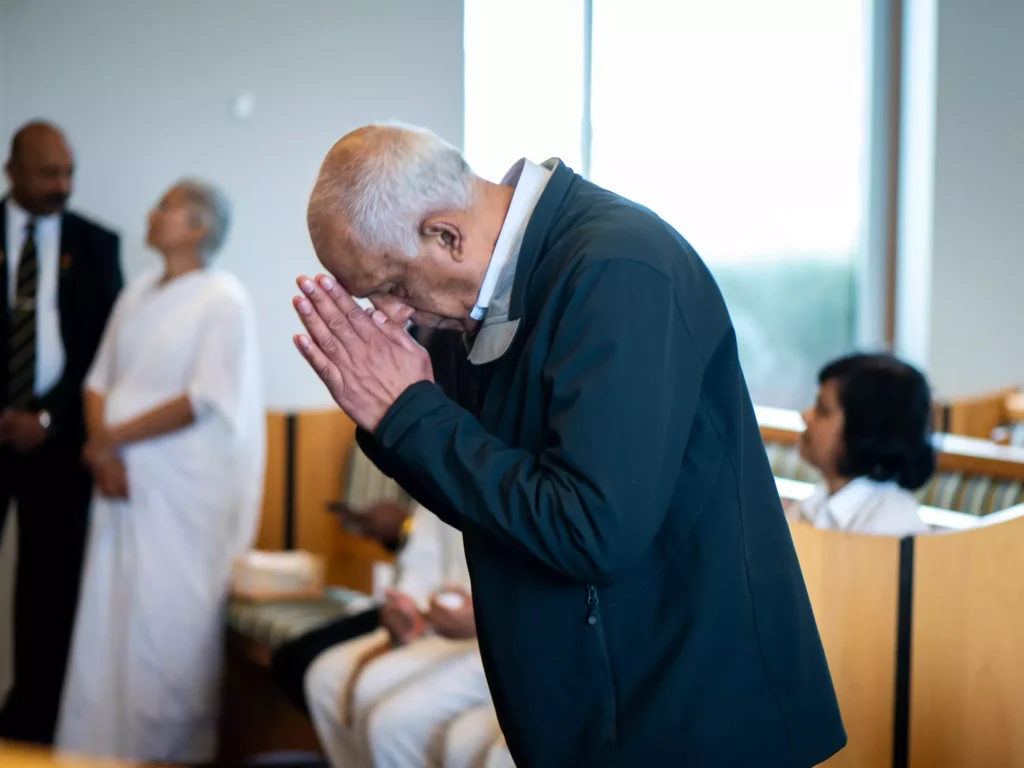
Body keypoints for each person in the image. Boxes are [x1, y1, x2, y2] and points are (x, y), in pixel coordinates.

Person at [291, 124, 846, 766]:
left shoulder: (617, 269)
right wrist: (397, 415)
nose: (393, 314)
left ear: (445, 235)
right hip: (598, 697)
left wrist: (408, 415)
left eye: (389, 286)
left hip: (685, 707)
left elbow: (591, 527)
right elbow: (487, 495)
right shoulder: (486, 293)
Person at [54, 179, 265, 764]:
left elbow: (203, 397)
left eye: (166, 207)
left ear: (199, 228)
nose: (151, 212)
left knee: (166, 629)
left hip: (181, 498)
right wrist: (104, 449)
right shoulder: (138, 292)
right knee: (109, 625)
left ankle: (168, 753)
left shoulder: (223, 298)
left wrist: (109, 443)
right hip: (119, 484)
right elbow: (98, 379)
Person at [0, 121, 122, 744]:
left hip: (59, 441)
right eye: (48, 173)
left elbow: (104, 352)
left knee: (47, 596)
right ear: (11, 171)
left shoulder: (96, 245)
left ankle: (33, 731)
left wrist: (47, 418)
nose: (61, 186)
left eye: (68, 173)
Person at [305, 502, 496, 768]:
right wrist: (411, 613)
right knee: (324, 677)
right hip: (447, 622)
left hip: (504, 641)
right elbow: (425, 555)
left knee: (394, 722)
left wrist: (491, 620)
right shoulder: (455, 463)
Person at [791, 353, 934, 537]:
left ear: (862, 431)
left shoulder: (891, 529)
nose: (805, 415)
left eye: (822, 410)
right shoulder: (814, 504)